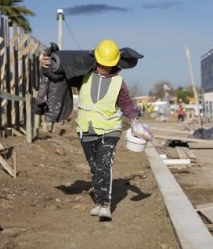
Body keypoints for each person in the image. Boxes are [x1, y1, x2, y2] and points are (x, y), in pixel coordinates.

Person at [41, 39, 144, 221]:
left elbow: (126, 103)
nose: (104, 68)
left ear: (114, 64)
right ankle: (98, 201)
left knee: (104, 165)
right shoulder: (83, 76)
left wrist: (135, 120)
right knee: (95, 168)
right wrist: (46, 64)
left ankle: (105, 205)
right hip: (86, 129)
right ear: (96, 61)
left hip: (110, 130)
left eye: (108, 65)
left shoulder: (119, 82)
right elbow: (58, 75)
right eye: (101, 64)